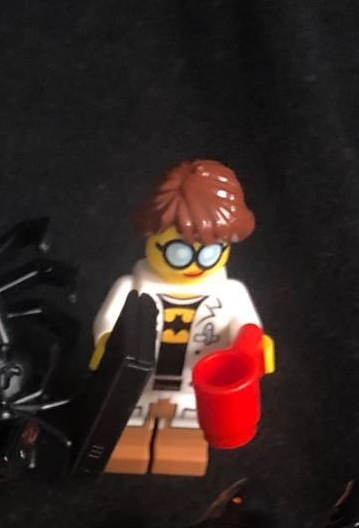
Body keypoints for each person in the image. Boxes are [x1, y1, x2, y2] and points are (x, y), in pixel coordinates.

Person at [91, 159, 273, 476]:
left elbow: (247, 326)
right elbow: (106, 322)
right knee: (129, 420)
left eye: (210, 253)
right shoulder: (132, 288)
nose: (195, 265)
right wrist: (108, 343)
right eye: (179, 253)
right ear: (152, 238)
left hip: (196, 386)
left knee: (185, 430)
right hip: (137, 381)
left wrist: (252, 346)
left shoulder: (229, 292)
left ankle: (179, 446)